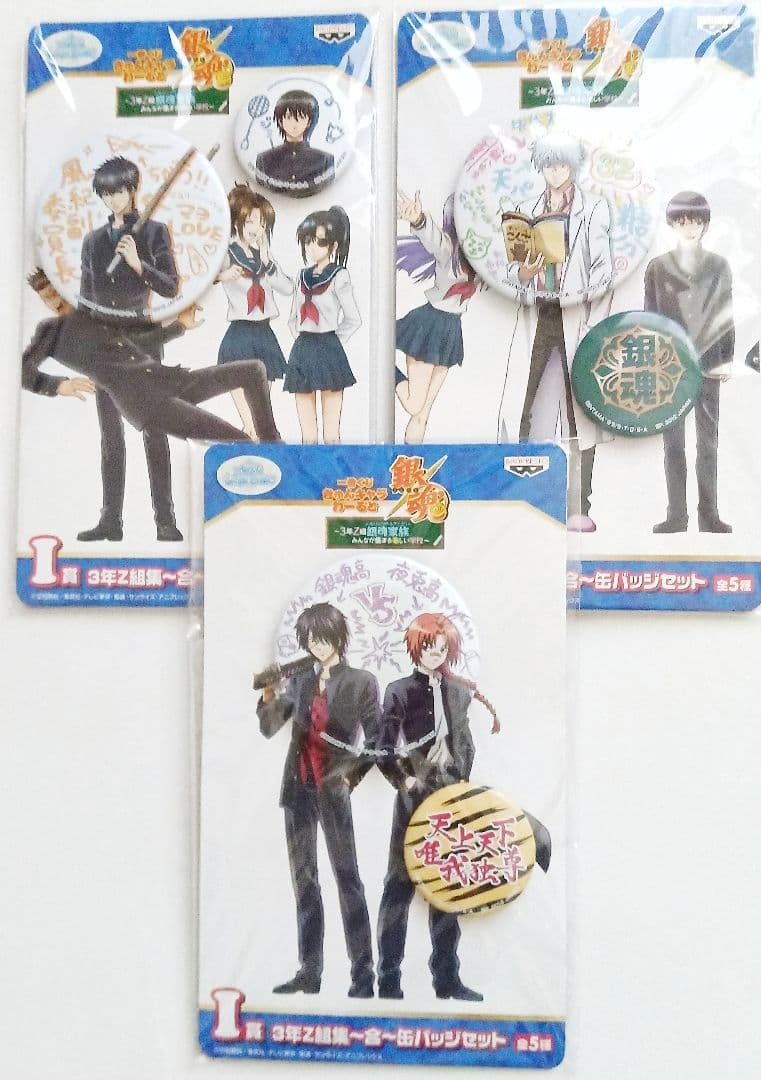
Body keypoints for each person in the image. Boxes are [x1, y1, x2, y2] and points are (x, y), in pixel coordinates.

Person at [22, 271, 282, 538]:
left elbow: (138, 343)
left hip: (168, 379)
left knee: (254, 370)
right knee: (239, 441)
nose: (55, 302)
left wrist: (180, 326)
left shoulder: (97, 312)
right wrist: (58, 385)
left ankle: (274, 449)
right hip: (146, 403)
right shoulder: (50, 332)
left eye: (56, 293)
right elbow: (22, 370)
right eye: (47, 298)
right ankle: (261, 506)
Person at [257, 603, 377, 998]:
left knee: (348, 879)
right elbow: (269, 728)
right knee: (305, 882)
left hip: (333, 790)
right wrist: (270, 692)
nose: (317, 645)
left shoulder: (360, 681)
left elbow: (377, 740)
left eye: (324, 638)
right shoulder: (299, 682)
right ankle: (310, 972)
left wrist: (350, 776)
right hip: (298, 791)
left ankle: (363, 975)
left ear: (339, 638)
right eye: (310, 639)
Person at [496, 132, 613, 532]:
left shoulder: (593, 208)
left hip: (575, 313)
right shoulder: (527, 210)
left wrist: (591, 319)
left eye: (562, 164)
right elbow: (511, 271)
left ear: (573, 166)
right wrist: (523, 272)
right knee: (525, 402)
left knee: (581, 409)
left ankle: (579, 504)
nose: (555, 172)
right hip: (539, 312)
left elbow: (603, 271)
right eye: (549, 165)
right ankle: (521, 496)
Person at [375, 613, 482, 1002]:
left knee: (447, 886)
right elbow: (383, 747)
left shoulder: (458, 692)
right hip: (413, 798)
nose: (435, 653)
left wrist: (461, 779)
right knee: (399, 885)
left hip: (450, 798)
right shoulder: (399, 691)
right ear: (415, 647)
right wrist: (404, 779)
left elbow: (466, 741)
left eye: (442, 647)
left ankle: (447, 980)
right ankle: (388, 978)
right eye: (428, 647)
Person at [75, 155, 182, 540]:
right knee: (110, 434)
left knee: (153, 428)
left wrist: (138, 264)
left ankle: (165, 521)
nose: (113, 199)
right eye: (106, 194)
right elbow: (86, 299)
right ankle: (110, 521)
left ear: (133, 189)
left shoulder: (153, 232)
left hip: (143, 339)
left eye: (119, 191)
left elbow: (170, 286)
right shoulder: (92, 241)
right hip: (104, 344)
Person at [644, 191, 734, 533]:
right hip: (669, 367)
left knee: (708, 443)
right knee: (673, 444)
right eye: (682, 221)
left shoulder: (719, 266)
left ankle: (709, 515)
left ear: (705, 224)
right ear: (672, 224)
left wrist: (726, 359)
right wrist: (652, 363)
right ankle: (676, 515)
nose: (689, 227)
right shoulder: (657, 268)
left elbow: (726, 316)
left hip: (709, 363)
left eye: (695, 221)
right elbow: (650, 319)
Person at [395, 191, 478, 442]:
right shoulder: (449, 249)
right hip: (429, 326)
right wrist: (418, 219)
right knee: (414, 405)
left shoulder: (484, 259)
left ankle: (411, 461)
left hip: (451, 331)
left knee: (423, 414)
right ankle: (385, 369)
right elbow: (433, 238)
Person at [216, 184, 292, 436]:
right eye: (249, 221)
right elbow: (203, 277)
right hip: (240, 333)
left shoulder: (264, 257)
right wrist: (223, 276)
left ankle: (255, 440)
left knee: (260, 414)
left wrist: (268, 262)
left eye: (261, 224)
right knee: (250, 420)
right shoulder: (227, 253)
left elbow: (287, 288)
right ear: (237, 220)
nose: (256, 228)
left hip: (263, 334)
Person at [284, 206, 361, 443]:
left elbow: (353, 318)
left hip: (329, 349)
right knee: (308, 436)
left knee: (331, 435)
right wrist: (302, 338)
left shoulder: (339, 276)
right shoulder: (301, 276)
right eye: (308, 241)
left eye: (320, 242)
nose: (312, 247)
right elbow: (292, 318)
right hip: (303, 349)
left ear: (333, 246)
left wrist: (333, 341)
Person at [255, 89, 335, 198]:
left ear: (309, 122)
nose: (294, 124)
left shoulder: (324, 159)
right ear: (280, 121)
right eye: (288, 117)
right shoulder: (264, 159)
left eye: (301, 117)